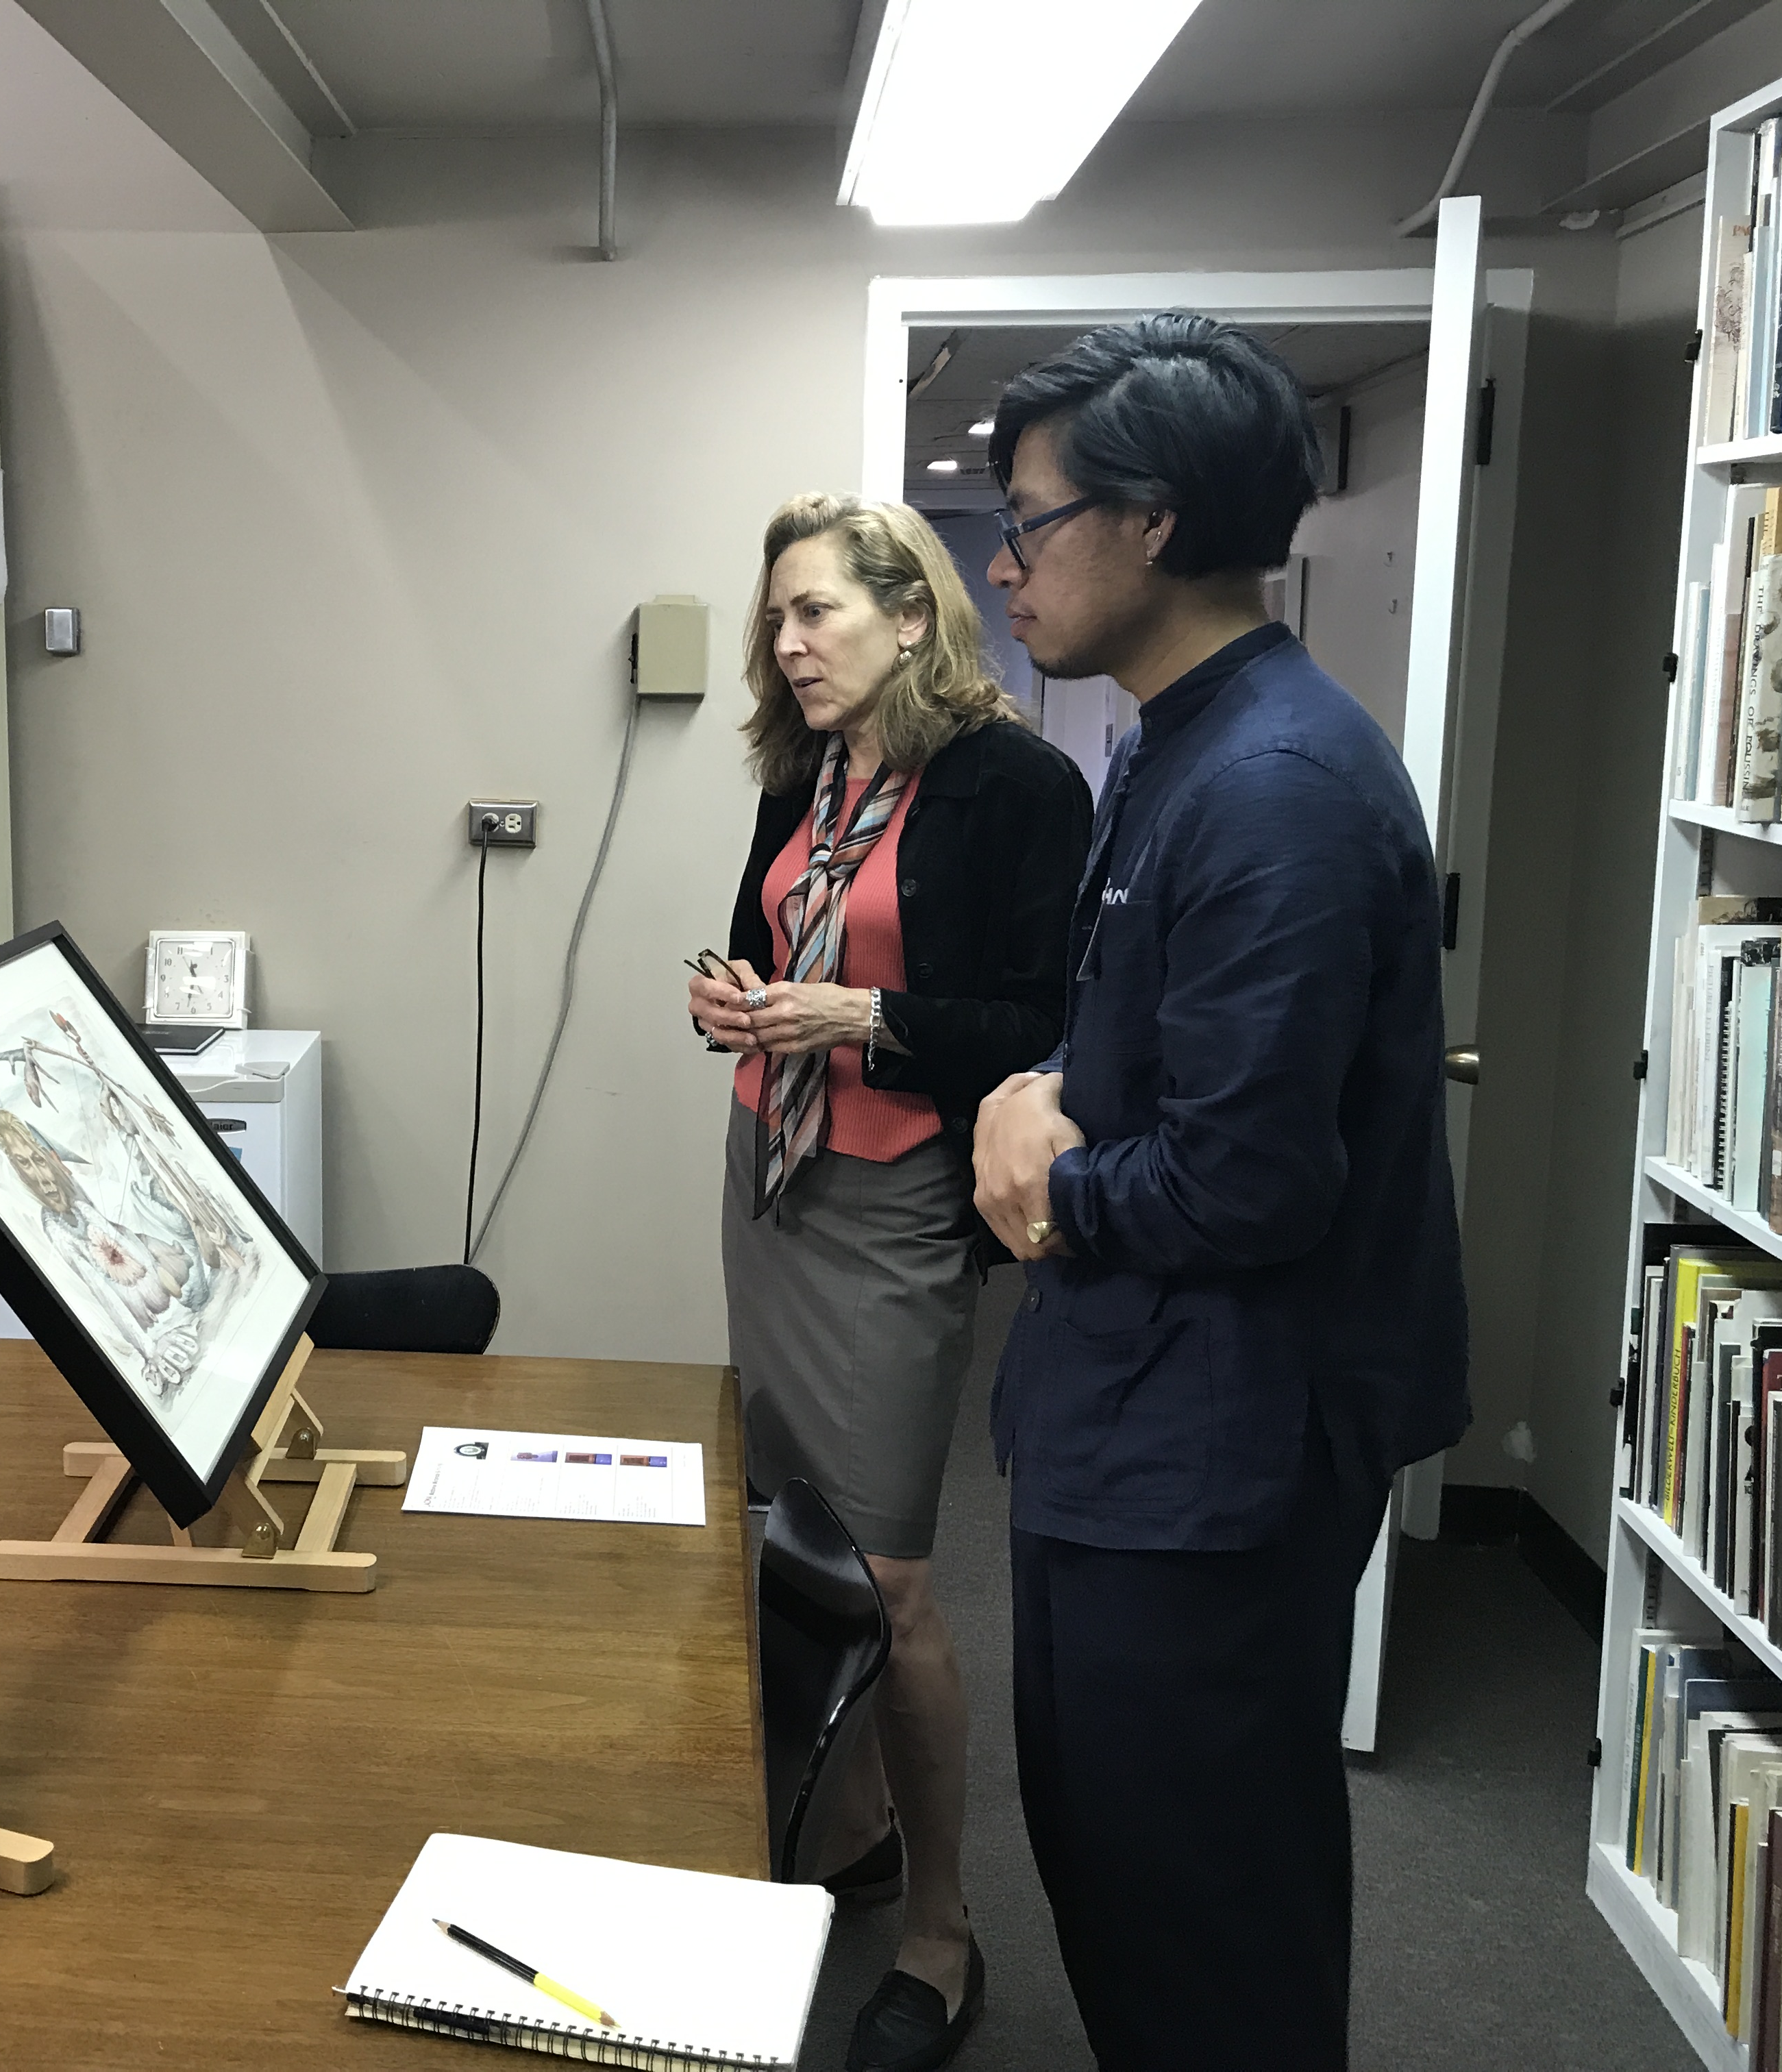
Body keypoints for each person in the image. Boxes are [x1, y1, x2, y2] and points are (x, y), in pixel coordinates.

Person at [969, 314, 1470, 2072]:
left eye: (1029, 518)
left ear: (1154, 521)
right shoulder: (1169, 735)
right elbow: (1157, 1058)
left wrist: (1051, 1176)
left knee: (1203, 1917)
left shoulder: (1272, 784)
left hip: (1215, 1455)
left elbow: (1251, 1180)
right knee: (1118, 1874)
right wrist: (1046, 1096)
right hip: (1131, 1414)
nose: (1004, 560)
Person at [691, 492, 1089, 2072]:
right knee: (783, 1530)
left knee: (892, 1579)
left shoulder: (1013, 783)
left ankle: (942, 1929)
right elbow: (759, 948)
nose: (786, 646)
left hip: (893, 1203)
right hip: (767, 1177)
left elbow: (1043, 1024)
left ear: (911, 615)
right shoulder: (812, 770)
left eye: (817, 614)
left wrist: (852, 1018)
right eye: (774, 620)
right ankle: (847, 1826)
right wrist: (736, 1001)